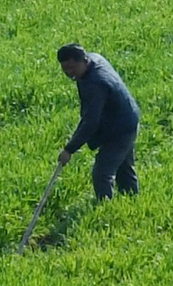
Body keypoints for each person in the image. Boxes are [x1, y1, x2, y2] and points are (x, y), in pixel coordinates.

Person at [57, 44, 142, 201]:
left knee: (102, 172)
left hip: (120, 129)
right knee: (124, 168)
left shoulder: (96, 84)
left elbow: (90, 122)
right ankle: (132, 199)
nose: (69, 73)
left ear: (83, 61)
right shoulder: (94, 59)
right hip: (125, 119)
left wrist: (69, 150)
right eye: (65, 69)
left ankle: (104, 208)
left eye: (72, 68)